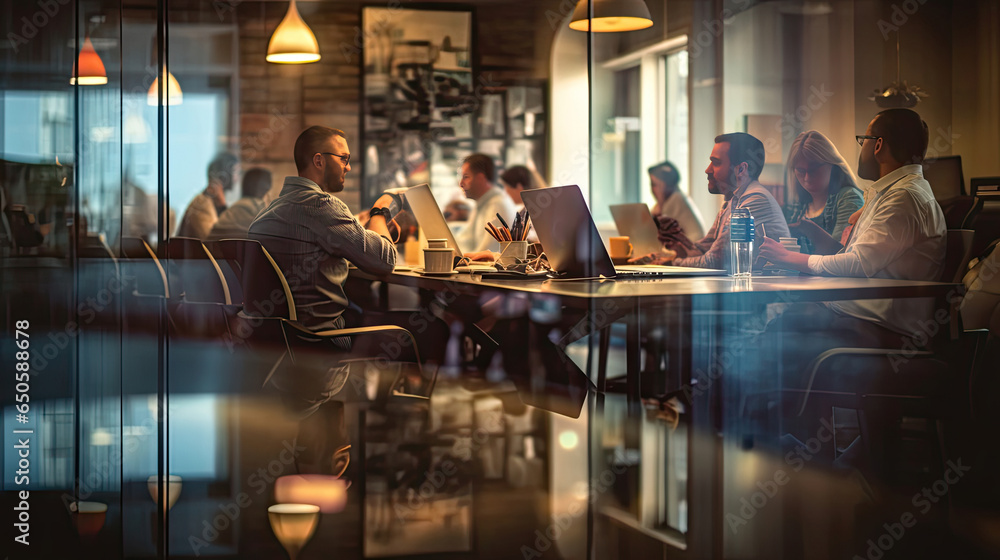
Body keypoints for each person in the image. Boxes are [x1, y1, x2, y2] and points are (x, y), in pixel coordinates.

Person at [760, 108, 946, 337]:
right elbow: (863, 261)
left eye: (863, 141)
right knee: (783, 325)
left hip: (880, 325)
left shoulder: (903, 197)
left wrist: (789, 257)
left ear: (877, 145)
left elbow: (858, 264)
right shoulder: (893, 194)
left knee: (779, 335)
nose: (861, 149)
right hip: (858, 314)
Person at [634, 133, 789, 270]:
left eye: (716, 162)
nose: (708, 170)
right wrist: (680, 246)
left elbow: (716, 260)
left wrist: (673, 263)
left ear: (741, 170)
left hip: (760, 298)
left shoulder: (755, 199)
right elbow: (705, 249)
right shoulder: (732, 201)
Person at [781, 131, 864, 254]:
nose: (807, 178)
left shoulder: (848, 198)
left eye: (814, 169)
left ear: (832, 165)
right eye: (801, 171)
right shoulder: (798, 205)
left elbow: (842, 256)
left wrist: (813, 232)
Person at [453, 153, 517, 253]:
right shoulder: (482, 204)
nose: (461, 183)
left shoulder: (497, 205)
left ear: (480, 178)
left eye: (466, 177)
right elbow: (465, 240)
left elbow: (488, 253)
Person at [177, 153, 239, 240]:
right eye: (235, 172)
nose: (237, 178)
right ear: (225, 175)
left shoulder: (210, 201)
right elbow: (215, 241)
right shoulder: (203, 203)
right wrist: (222, 207)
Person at [208, 167, 272, 241]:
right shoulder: (257, 209)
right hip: (232, 250)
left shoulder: (236, 207)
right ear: (264, 188)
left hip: (210, 250)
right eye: (268, 185)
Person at [648, 160, 705, 242]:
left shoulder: (676, 199)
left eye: (654, 184)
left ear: (664, 184)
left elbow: (656, 232)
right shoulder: (678, 197)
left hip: (693, 248)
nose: (652, 190)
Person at [499, 164, 545, 243]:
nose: (505, 193)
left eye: (506, 187)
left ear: (519, 187)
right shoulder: (536, 207)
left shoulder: (532, 213)